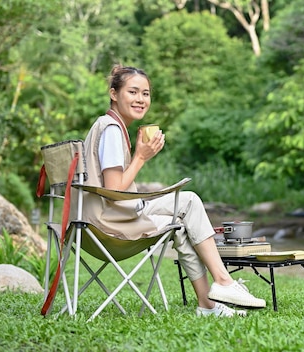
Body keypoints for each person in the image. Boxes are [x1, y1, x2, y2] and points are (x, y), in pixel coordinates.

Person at [79, 64, 265, 317]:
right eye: (133, 92)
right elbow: (114, 189)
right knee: (185, 208)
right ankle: (222, 284)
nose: (141, 99)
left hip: (98, 218)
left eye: (145, 93)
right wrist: (141, 157)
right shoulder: (111, 130)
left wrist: (139, 155)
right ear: (114, 93)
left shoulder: (110, 126)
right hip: (109, 223)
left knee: (185, 210)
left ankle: (209, 302)